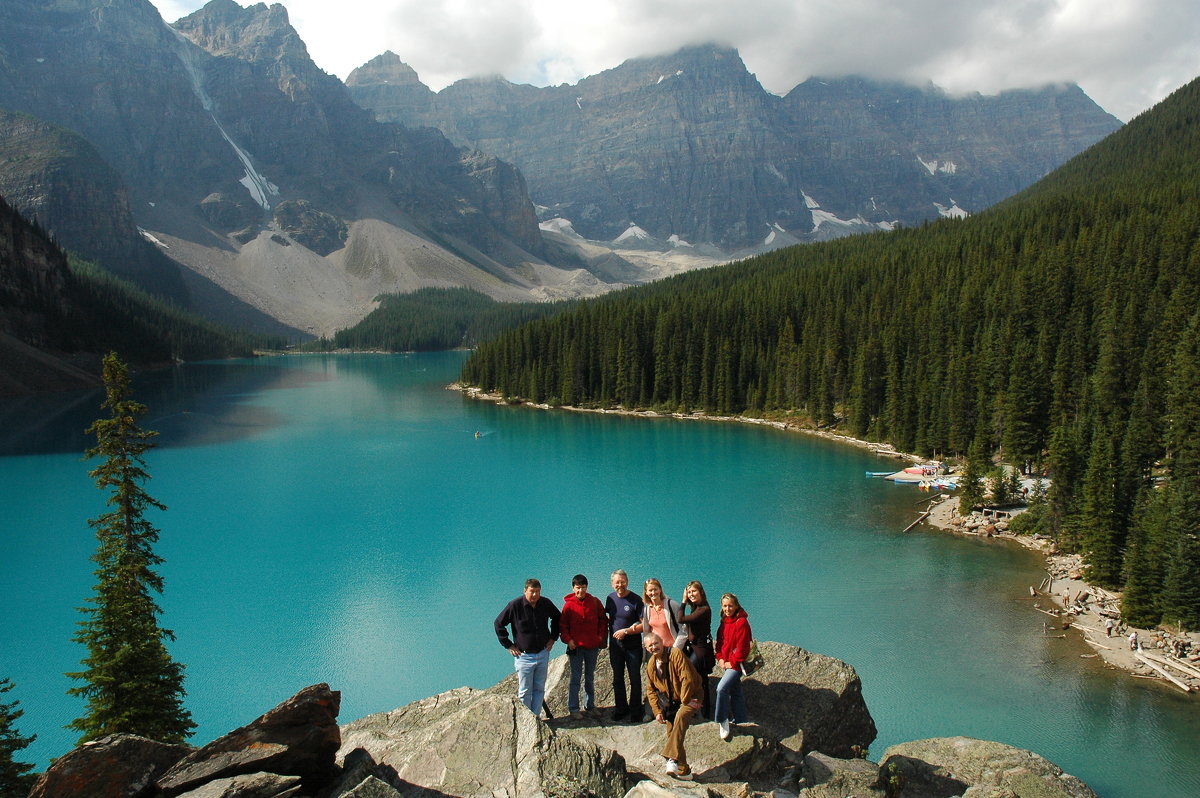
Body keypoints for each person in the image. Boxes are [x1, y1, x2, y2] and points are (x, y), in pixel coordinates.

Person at [494, 578, 561, 716]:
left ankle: (536, 718)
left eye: (538, 592)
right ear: (525, 591)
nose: (535, 595)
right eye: (532, 591)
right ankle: (527, 720)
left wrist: (553, 638)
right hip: (523, 656)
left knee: (539, 689)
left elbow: (557, 617)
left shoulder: (545, 603)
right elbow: (498, 623)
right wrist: (508, 645)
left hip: (542, 653)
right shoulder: (515, 605)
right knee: (525, 691)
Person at [644, 632, 703, 780]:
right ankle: (685, 771)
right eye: (650, 645)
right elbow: (650, 690)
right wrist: (657, 711)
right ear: (646, 648)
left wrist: (685, 700)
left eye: (656, 643)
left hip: (691, 696)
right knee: (672, 732)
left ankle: (671, 759)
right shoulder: (651, 664)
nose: (653, 647)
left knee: (681, 716)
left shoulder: (675, 654)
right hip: (672, 702)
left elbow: (687, 678)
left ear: (662, 642)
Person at [561, 573, 607, 719]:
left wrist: (600, 637)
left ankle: (590, 705)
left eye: (583, 587)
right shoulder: (568, 605)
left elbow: (603, 621)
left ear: (587, 587)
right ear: (573, 588)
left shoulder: (595, 602)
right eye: (578, 588)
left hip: (592, 646)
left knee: (589, 676)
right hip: (576, 647)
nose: (580, 590)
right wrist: (568, 640)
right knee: (575, 677)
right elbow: (563, 626)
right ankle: (574, 708)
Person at [605, 569, 645, 722]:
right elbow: (607, 618)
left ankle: (636, 710)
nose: (620, 585)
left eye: (622, 582)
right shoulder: (610, 598)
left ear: (627, 582)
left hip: (633, 646)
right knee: (617, 678)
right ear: (612, 584)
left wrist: (627, 631)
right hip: (615, 646)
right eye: (617, 582)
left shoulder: (635, 599)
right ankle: (621, 709)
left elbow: (644, 625)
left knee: (634, 678)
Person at [713, 592, 751, 741]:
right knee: (736, 691)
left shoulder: (741, 622)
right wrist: (720, 658)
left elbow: (743, 648)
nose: (727, 609)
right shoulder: (724, 621)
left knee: (721, 688)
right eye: (724, 606)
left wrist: (731, 662)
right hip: (727, 663)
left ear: (736, 606)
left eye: (730, 606)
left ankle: (722, 719)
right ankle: (741, 720)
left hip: (737, 665)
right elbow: (720, 643)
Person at [681, 580, 715, 719]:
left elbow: (680, 618)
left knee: (698, 680)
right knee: (700, 680)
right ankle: (700, 710)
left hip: (701, 651)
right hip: (696, 648)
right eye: (689, 592)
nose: (691, 594)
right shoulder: (696, 607)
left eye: (694, 591)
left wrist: (683, 601)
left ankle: (703, 712)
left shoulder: (703, 609)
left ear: (701, 592)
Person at [636, 578, 687, 651]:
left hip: (673, 649)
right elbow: (646, 632)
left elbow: (683, 629)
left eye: (655, 589)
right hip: (656, 651)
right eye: (650, 590)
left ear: (660, 589)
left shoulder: (672, 605)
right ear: (646, 592)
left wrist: (676, 649)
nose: (653, 593)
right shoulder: (647, 609)